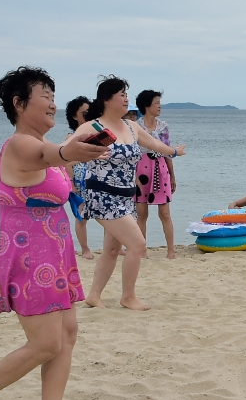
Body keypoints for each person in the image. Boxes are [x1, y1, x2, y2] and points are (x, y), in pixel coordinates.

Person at [0, 66, 110, 400]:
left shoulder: (42, 146)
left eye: (54, 97)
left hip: (54, 256)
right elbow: (49, 153)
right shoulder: (19, 144)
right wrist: (69, 151)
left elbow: (57, 156)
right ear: (19, 103)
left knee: (67, 333)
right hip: (30, 260)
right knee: (45, 343)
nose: (53, 104)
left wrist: (81, 151)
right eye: (45, 96)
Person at [69, 76, 186, 311]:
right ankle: (128, 297)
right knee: (137, 244)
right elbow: (65, 153)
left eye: (126, 94)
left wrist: (174, 151)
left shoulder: (132, 127)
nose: (126, 99)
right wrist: (86, 155)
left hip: (126, 197)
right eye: (121, 94)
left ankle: (94, 295)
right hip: (103, 196)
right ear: (106, 99)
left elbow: (155, 145)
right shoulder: (92, 127)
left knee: (112, 250)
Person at [133, 90, 177, 260]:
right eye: (156, 103)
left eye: (159, 103)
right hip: (141, 170)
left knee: (165, 213)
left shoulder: (163, 126)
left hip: (160, 168)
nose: (159, 106)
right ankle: (142, 250)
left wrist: (172, 175)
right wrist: (133, 176)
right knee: (141, 213)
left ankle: (171, 250)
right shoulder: (135, 127)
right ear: (146, 105)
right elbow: (132, 154)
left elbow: (167, 152)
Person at [63, 95, 95, 260]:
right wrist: (71, 184)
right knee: (82, 215)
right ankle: (85, 249)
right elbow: (65, 161)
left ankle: (114, 247)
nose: (88, 115)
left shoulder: (96, 133)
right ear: (75, 116)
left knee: (108, 213)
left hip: (97, 177)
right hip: (81, 180)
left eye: (90, 111)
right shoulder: (72, 137)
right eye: (84, 113)